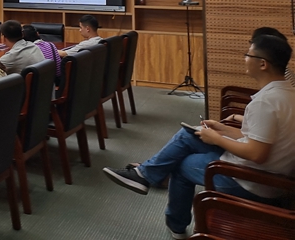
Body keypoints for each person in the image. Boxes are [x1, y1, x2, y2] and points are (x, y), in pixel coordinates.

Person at [103, 33, 295, 239]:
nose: (245, 59)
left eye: (248, 55)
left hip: (252, 182)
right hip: (268, 177)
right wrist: (222, 130)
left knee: (181, 164)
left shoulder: (265, 102)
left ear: (263, 64)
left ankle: (172, 219)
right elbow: (259, 138)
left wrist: (216, 139)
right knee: (190, 134)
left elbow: (257, 154)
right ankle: (145, 175)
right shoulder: (287, 94)